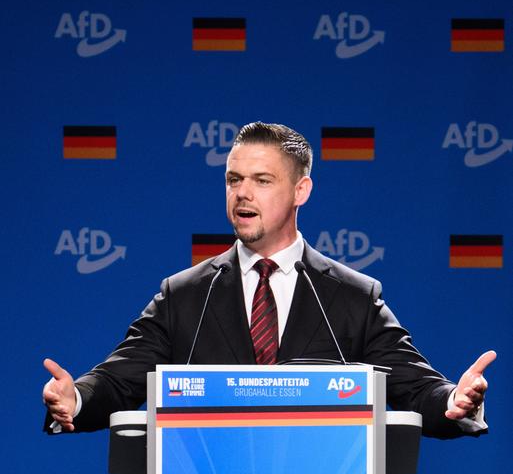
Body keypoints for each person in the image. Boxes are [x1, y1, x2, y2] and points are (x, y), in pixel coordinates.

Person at [43, 121, 495, 440]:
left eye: (262, 180)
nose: (242, 193)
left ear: (301, 191)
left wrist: (456, 399)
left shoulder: (352, 296)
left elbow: (417, 388)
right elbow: (119, 380)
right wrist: (76, 398)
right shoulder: (185, 296)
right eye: (233, 179)